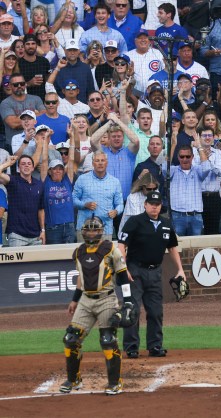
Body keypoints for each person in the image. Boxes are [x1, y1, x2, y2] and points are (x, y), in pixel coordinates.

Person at [60, 216, 132, 395]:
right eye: (88, 229)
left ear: (101, 232)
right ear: (83, 232)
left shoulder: (111, 250)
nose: (91, 233)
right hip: (85, 299)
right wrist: (75, 299)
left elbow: (123, 275)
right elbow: (81, 278)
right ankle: (73, 379)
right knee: (71, 338)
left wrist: (128, 301)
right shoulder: (78, 252)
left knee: (108, 340)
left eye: (95, 230)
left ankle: (115, 383)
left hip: (106, 299)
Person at [118, 191, 186, 358]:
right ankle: (132, 347)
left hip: (155, 271)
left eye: (157, 204)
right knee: (132, 309)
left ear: (160, 206)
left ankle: (155, 346)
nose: (154, 207)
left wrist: (180, 269)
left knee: (155, 310)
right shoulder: (135, 221)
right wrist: (123, 268)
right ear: (145, 205)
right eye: (151, 204)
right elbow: (121, 246)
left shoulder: (166, 223)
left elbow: (172, 248)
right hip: (135, 270)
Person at [72, 151, 124, 242]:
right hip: (85, 229)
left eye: (102, 160)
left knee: (104, 256)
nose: (100, 163)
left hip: (105, 229)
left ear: (107, 163)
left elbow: (120, 204)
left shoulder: (115, 182)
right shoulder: (82, 179)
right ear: (93, 163)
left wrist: (116, 211)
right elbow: (73, 199)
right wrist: (85, 205)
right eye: (97, 160)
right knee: (83, 256)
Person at [0, 154, 45, 246]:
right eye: (23, 164)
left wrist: (43, 230)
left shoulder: (39, 184)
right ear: (18, 168)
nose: (26, 165)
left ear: (33, 168)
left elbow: (41, 209)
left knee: (38, 261)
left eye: (29, 164)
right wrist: (8, 163)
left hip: (36, 236)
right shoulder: (13, 180)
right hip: (17, 235)